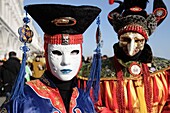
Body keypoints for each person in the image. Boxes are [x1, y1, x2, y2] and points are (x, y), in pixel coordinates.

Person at [0, 4, 101, 113]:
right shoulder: (22, 100)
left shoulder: (85, 99)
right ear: (46, 54)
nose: (65, 62)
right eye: (57, 53)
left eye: (74, 52)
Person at [78, 0, 170, 113]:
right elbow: (92, 104)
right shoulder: (96, 74)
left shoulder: (165, 72)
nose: (131, 49)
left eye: (138, 41)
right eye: (125, 40)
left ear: (145, 40)